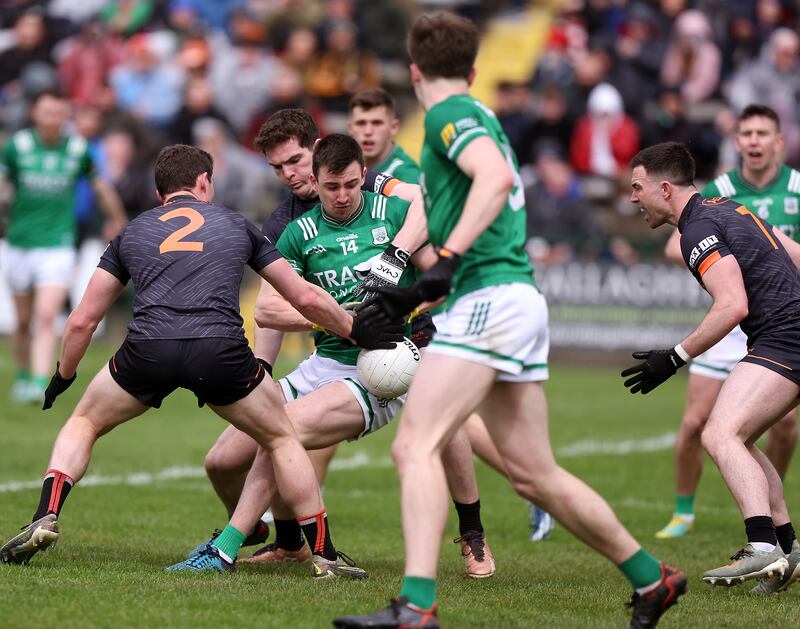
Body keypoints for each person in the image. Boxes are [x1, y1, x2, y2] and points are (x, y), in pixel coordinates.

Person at [333, 13, 686, 629]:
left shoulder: (446, 114)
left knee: (416, 444)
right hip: (511, 297)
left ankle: (416, 606)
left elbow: (494, 180)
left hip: (489, 299)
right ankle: (652, 579)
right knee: (534, 474)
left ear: (414, 73)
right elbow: (468, 194)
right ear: (473, 70)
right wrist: (414, 279)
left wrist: (445, 261)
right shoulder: (479, 114)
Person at [0, 144, 398, 578]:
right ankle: (324, 555)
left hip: (148, 349)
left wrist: (63, 375)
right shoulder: (236, 225)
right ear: (205, 182)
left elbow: (82, 321)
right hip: (219, 351)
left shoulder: (133, 231)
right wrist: (355, 329)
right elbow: (303, 296)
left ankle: (46, 513)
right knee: (282, 439)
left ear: (160, 193)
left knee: (84, 422)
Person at [196, 110, 496, 578]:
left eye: (295, 161)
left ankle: (473, 531)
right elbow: (268, 311)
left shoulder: (377, 192)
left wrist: (404, 288)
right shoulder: (288, 226)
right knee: (222, 460)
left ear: (320, 155)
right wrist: (337, 324)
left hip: (392, 353)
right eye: (278, 167)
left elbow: (435, 236)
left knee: (447, 424)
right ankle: (288, 540)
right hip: (331, 358)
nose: (290, 174)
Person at [623, 141, 800, 591]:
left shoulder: (696, 229)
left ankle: (761, 546)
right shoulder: (725, 206)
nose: (632, 197)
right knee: (740, 439)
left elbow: (732, 304)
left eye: (638, 187)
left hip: (786, 336)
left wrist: (674, 357)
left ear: (665, 189)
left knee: (719, 434)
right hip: (787, 332)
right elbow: (790, 252)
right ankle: (788, 550)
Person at [0, 89, 127, 404]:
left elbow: (100, 186)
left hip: (58, 243)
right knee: (23, 320)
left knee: (46, 316)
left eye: (58, 112)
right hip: (19, 242)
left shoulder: (77, 150)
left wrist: (119, 221)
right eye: (46, 112)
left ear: (65, 116)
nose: (52, 118)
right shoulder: (18, 147)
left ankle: (39, 382)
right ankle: (23, 376)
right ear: (35, 114)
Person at [347, 88, 421, 182]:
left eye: (377, 123)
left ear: (393, 127)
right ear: (350, 128)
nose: (368, 131)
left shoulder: (407, 176)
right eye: (361, 123)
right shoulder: (342, 168)